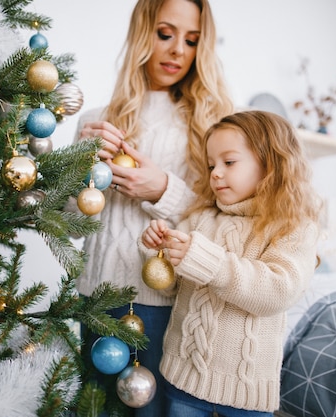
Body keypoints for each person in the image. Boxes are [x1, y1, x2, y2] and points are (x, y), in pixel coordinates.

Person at [71, 0, 233, 415]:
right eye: (165, 33)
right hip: (95, 298)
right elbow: (70, 225)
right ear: (143, 34)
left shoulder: (210, 126)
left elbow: (222, 226)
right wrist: (81, 168)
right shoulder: (95, 121)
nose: (178, 50)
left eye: (192, 40)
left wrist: (162, 189)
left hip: (168, 305)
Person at [139, 110, 322, 416]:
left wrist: (210, 264)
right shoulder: (200, 219)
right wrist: (158, 254)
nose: (215, 173)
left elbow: (279, 290)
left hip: (245, 392)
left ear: (270, 162)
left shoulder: (292, 227)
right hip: (182, 379)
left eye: (229, 162)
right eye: (211, 165)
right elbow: (169, 287)